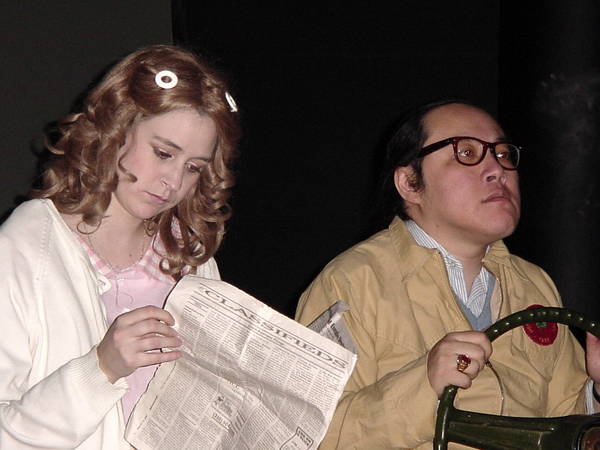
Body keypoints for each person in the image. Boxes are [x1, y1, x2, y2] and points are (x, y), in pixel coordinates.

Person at [295, 100, 600, 449]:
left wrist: (596, 391)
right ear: (410, 183)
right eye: (467, 152)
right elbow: (307, 435)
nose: (497, 169)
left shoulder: (534, 285)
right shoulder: (351, 282)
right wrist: (423, 385)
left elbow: (565, 424)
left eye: (503, 154)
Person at [0, 44, 240, 448]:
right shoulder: (26, 247)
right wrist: (101, 368)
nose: (173, 182)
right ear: (116, 130)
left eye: (193, 168)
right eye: (163, 153)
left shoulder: (189, 256)